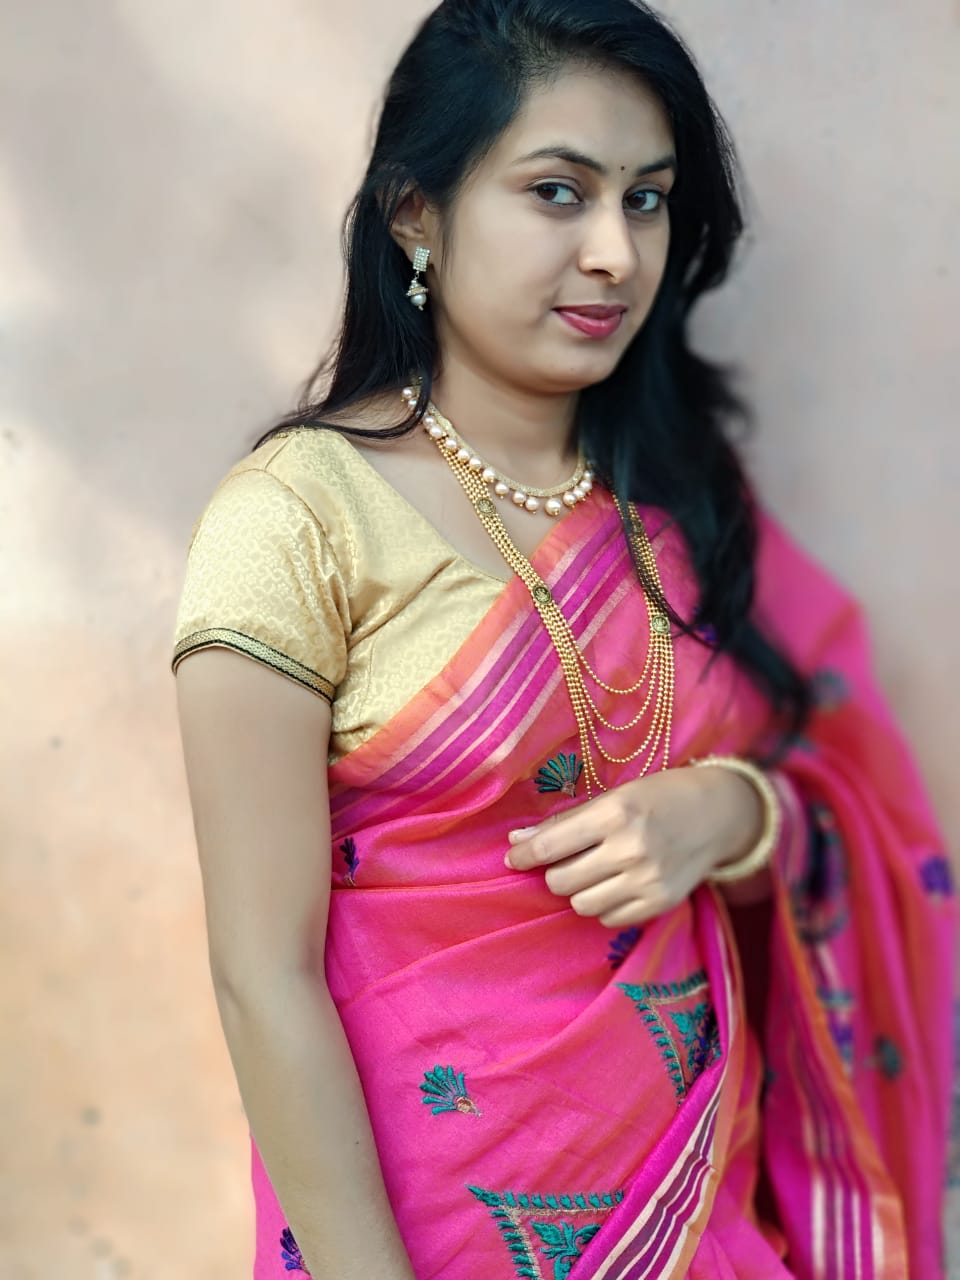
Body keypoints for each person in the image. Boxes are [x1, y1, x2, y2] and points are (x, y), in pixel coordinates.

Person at [170, 2, 955, 1276]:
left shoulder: (687, 510)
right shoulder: (296, 517)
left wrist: (734, 810)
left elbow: (855, 806)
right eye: (558, 192)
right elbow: (263, 974)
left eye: (647, 200)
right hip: (424, 1227)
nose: (614, 253)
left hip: (702, 1208)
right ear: (415, 214)